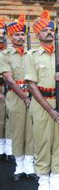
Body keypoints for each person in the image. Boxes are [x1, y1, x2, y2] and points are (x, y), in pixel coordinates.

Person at [25, 10, 59, 190]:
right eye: (45, 30)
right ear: (37, 34)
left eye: (51, 30)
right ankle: (42, 183)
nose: (49, 32)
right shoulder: (31, 55)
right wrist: (49, 110)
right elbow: (31, 85)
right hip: (42, 105)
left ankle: (56, 183)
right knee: (42, 142)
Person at [0, 15, 36, 180]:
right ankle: (19, 166)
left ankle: (29, 165)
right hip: (15, 97)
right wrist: (24, 97)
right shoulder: (5, 55)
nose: (20, 37)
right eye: (17, 35)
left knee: (30, 131)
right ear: (10, 36)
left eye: (22, 34)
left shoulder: (32, 53)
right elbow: (10, 80)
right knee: (17, 131)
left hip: (33, 95)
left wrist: (32, 96)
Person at [0, 18, 14, 163]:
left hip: (10, 89)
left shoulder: (9, 52)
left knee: (10, 121)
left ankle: (9, 150)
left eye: (3, 34)